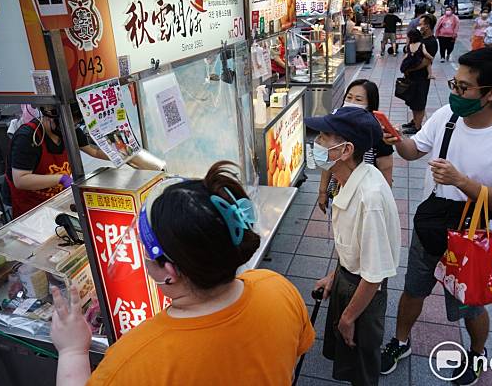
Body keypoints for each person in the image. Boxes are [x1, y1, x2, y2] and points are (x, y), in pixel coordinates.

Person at [50, 161, 316, 386]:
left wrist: (72, 351)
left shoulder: (132, 362)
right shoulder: (277, 288)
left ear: (169, 272)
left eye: (144, 248)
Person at [380, 47, 492, 385]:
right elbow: (414, 150)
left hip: (470, 236)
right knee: (413, 290)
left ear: (491, 94)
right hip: (432, 222)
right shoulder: (446, 116)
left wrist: (461, 181)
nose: (455, 93)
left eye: (464, 88)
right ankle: (400, 342)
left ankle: (477, 353)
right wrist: (396, 140)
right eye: (454, 83)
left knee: (470, 304)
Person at [305, 108, 401, 386]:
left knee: (361, 364)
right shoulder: (352, 178)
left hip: (362, 293)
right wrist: (334, 276)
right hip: (348, 280)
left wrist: (347, 318)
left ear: (346, 150)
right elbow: (358, 249)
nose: (317, 143)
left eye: (323, 137)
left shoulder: (368, 198)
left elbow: (373, 274)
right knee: (348, 357)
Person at [5, 105, 107, 218]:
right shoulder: (27, 137)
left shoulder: (70, 129)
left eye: (74, 124)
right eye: (65, 124)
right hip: (31, 208)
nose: (71, 128)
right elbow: (20, 180)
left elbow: (95, 151)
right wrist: (61, 178)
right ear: (49, 115)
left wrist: (124, 153)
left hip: (57, 201)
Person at [318, 80, 395, 214]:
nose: (351, 102)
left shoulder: (377, 134)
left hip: (362, 200)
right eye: (349, 97)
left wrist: (381, 204)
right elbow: (327, 161)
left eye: (358, 99)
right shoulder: (336, 125)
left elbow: (386, 174)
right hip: (337, 191)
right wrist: (322, 191)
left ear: (369, 105)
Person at [402, 14, 438, 135]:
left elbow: (426, 61)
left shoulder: (432, 42)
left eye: (421, 24)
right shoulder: (420, 38)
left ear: (427, 26)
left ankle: (417, 126)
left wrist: (409, 70)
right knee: (413, 100)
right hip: (413, 77)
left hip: (421, 77)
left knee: (419, 102)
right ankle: (414, 121)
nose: (419, 26)